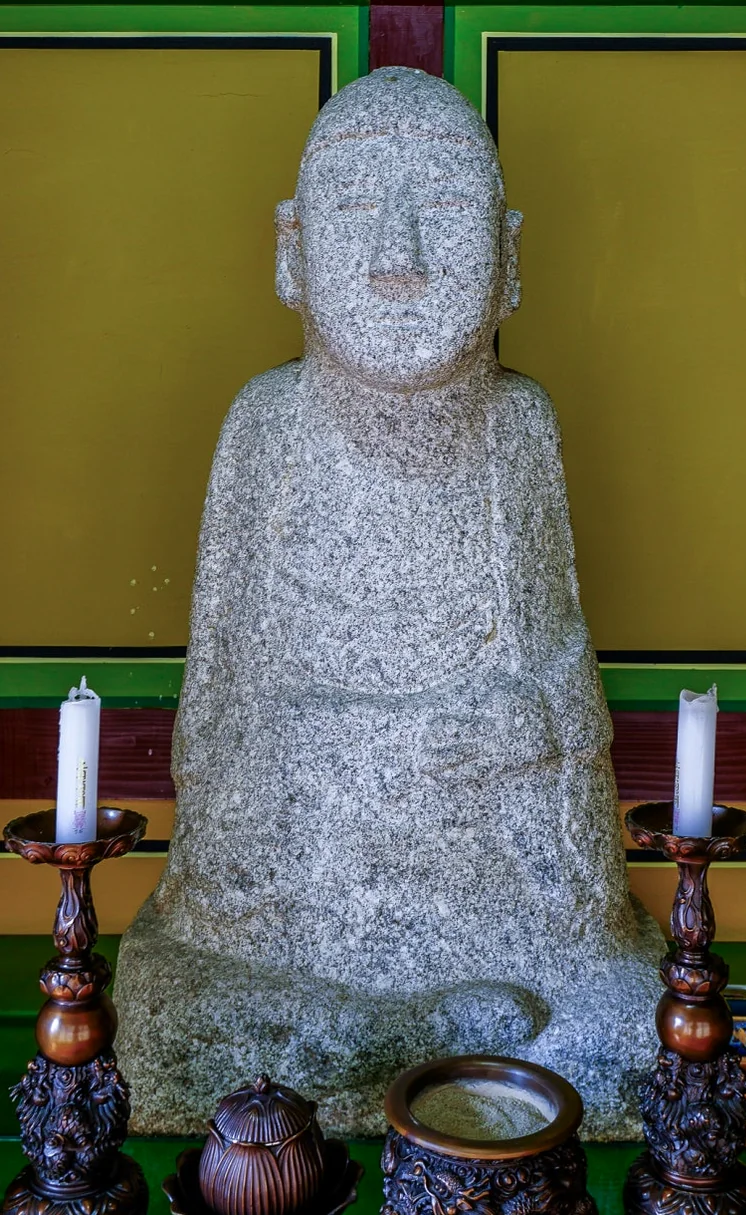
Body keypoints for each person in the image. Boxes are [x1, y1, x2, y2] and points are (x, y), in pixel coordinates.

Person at [115, 67, 662, 1140]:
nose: (398, 260)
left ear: (509, 258)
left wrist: (494, 732)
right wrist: (341, 761)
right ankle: (426, 1046)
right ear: (290, 250)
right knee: (160, 1010)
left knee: (630, 1020)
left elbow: (563, 718)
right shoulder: (266, 429)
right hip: (299, 899)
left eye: (447, 213)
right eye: (356, 209)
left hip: (493, 891)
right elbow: (217, 732)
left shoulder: (518, 432)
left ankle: (369, 1047)